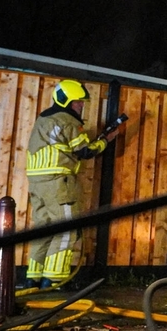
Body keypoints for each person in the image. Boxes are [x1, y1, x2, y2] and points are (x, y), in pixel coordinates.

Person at [24, 79, 121, 289]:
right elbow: (85, 152)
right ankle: (54, 280)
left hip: (37, 184)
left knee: (42, 230)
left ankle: (33, 279)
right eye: (78, 102)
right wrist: (107, 139)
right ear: (67, 101)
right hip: (59, 183)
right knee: (67, 231)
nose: (81, 106)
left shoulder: (43, 119)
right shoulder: (67, 121)